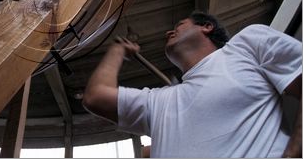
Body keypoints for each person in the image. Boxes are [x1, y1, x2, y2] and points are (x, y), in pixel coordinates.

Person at [83, 11, 302, 157]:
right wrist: (117, 50)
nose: (169, 32)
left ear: (206, 27)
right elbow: (96, 97)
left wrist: (292, 153)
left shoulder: (245, 46)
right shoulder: (158, 101)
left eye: (180, 25)